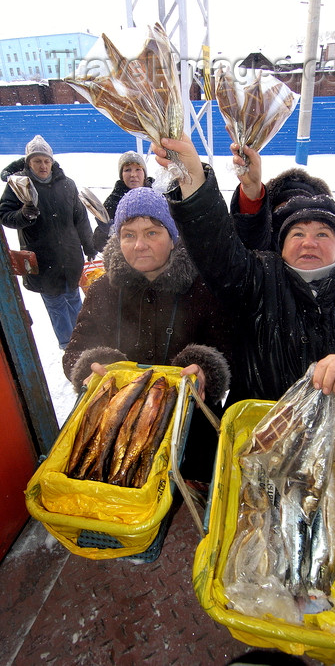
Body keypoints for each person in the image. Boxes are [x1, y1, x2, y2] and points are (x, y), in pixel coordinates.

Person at [152, 134, 335, 505]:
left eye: (322, 234)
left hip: (334, 444)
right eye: (297, 233)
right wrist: (192, 178)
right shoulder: (257, 277)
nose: (309, 242)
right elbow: (216, 246)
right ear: (280, 244)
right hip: (257, 433)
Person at [63, 186, 232, 483]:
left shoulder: (203, 287)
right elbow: (76, 349)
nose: (139, 244)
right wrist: (92, 368)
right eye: (129, 234)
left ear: (172, 237)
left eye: (152, 232)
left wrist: (206, 370)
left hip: (192, 428)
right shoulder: (102, 290)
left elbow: (228, 347)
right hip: (118, 427)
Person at [0, 135, 97, 350]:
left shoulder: (67, 184)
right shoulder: (19, 186)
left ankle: (84, 341)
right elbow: (4, 216)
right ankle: (68, 347)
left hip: (70, 257)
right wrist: (24, 215)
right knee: (56, 305)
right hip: (43, 261)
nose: (43, 165)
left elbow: (80, 218)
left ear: (52, 162)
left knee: (74, 299)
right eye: (37, 161)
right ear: (29, 163)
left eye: (46, 161)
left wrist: (88, 245)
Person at [229, 144, 332, 251]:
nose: (308, 243)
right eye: (283, 212)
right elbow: (250, 238)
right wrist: (251, 189)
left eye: (321, 234)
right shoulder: (261, 262)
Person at [92, 150, 154, 253]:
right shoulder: (113, 202)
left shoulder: (158, 195)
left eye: (138, 169)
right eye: (127, 170)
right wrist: (105, 231)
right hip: (129, 259)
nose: (133, 174)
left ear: (144, 173)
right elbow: (98, 244)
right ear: (121, 175)